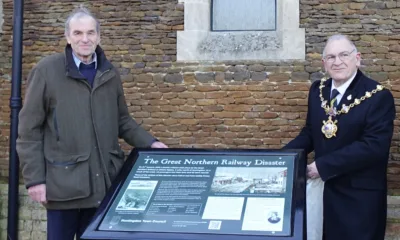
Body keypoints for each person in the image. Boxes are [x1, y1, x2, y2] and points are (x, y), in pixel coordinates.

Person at [16, 6, 168, 240]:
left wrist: (152, 143)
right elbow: (28, 132)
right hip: (63, 186)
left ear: (98, 36)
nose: (85, 39)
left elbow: (123, 121)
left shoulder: (109, 73)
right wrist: (35, 180)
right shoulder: (46, 71)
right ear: (68, 37)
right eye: (78, 33)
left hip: (104, 184)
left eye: (90, 33)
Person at [284, 34, 395, 240]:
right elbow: (310, 132)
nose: (338, 62)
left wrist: (322, 167)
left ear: (357, 58)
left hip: (359, 198)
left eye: (344, 55)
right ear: (324, 63)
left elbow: (373, 147)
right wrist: (283, 158)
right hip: (324, 194)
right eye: (331, 57)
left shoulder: (378, 96)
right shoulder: (318, 90)